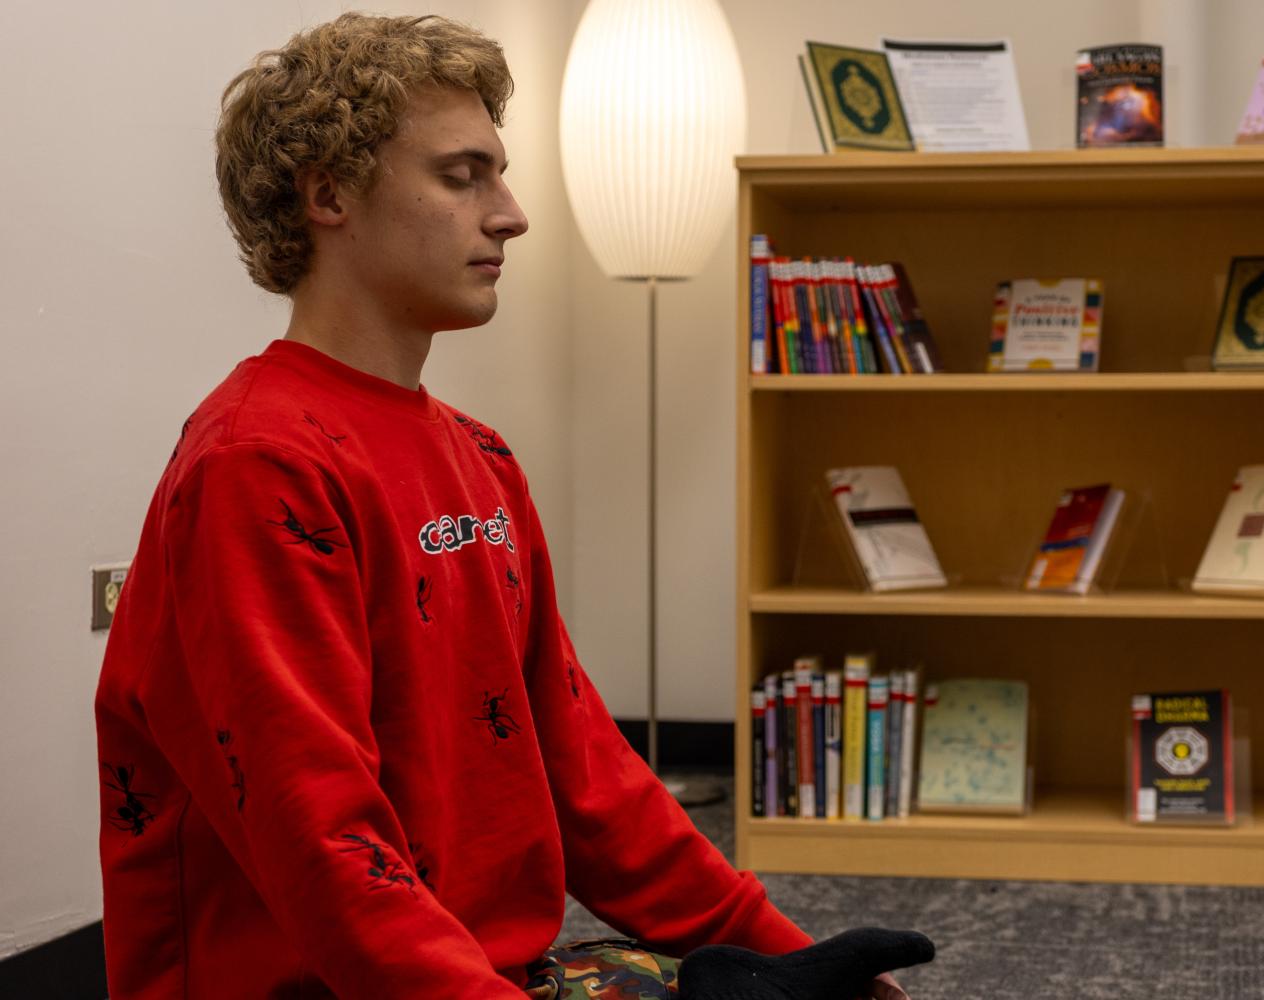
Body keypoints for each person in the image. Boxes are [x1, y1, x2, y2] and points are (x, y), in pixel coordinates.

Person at [94, 13, 929, 999]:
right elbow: (322, 845)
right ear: (328, 194)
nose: (513, 213)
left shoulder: (479, 457)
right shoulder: (256, 465)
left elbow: (588, 776)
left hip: (489, 971)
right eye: (463, 175)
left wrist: (791, 956)